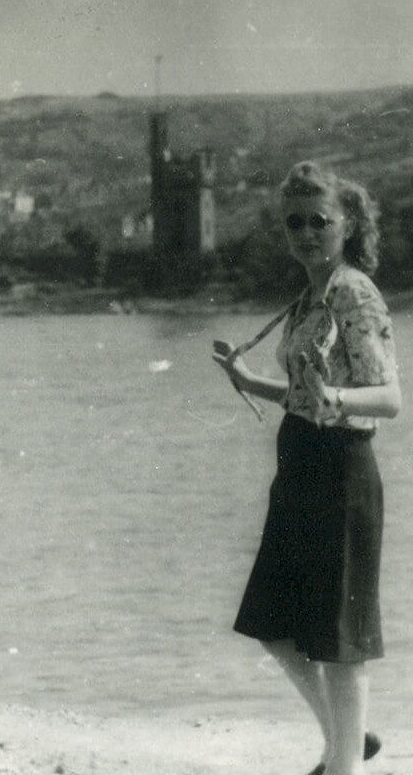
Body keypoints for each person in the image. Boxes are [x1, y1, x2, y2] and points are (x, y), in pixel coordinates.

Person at [212, 160, 401, 775]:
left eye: (318, 220)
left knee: (340, 643)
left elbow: (390, 397)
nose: (305, 233)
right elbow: (304, 395)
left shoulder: (353, 291)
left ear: (347, 225)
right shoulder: (307, 298)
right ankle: (348, 740)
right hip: (299, 469)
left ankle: (344, 766)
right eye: (294, 222)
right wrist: (249, 380)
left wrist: (339, 401)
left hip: (341, 474)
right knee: (275, 625)